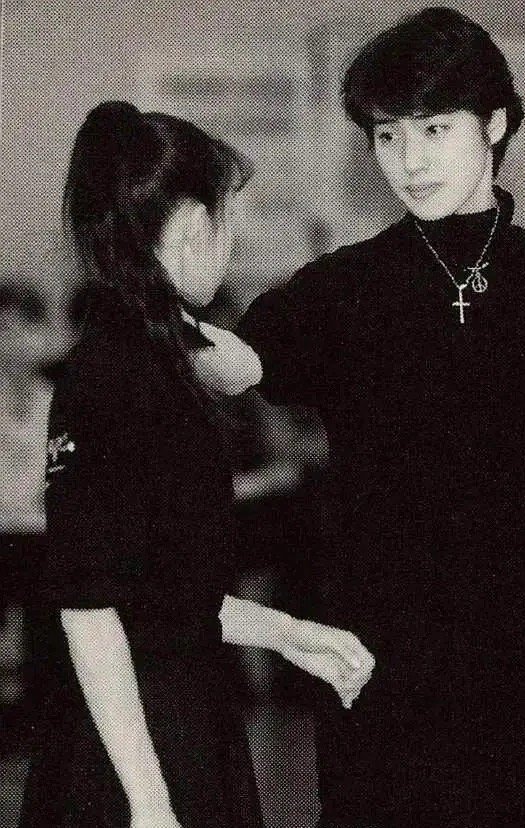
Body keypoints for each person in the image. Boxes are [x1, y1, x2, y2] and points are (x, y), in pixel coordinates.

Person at [232, 8, 525, 827]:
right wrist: (145, 299)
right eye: (387, 136)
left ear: (493, 124)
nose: (410, 161)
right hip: (384, 672)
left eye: (434, 129)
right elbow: (232, 365)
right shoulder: (340, 290)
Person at [20, 101, 374, 828]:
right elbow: (90, 612)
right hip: (134, 750)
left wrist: (293, 635)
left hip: (183, 720)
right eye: (227, 219)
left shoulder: (156, 359)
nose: (233, 242)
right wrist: (150, 803)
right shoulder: (112, 377)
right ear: (188, 226)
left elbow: (165, 598)